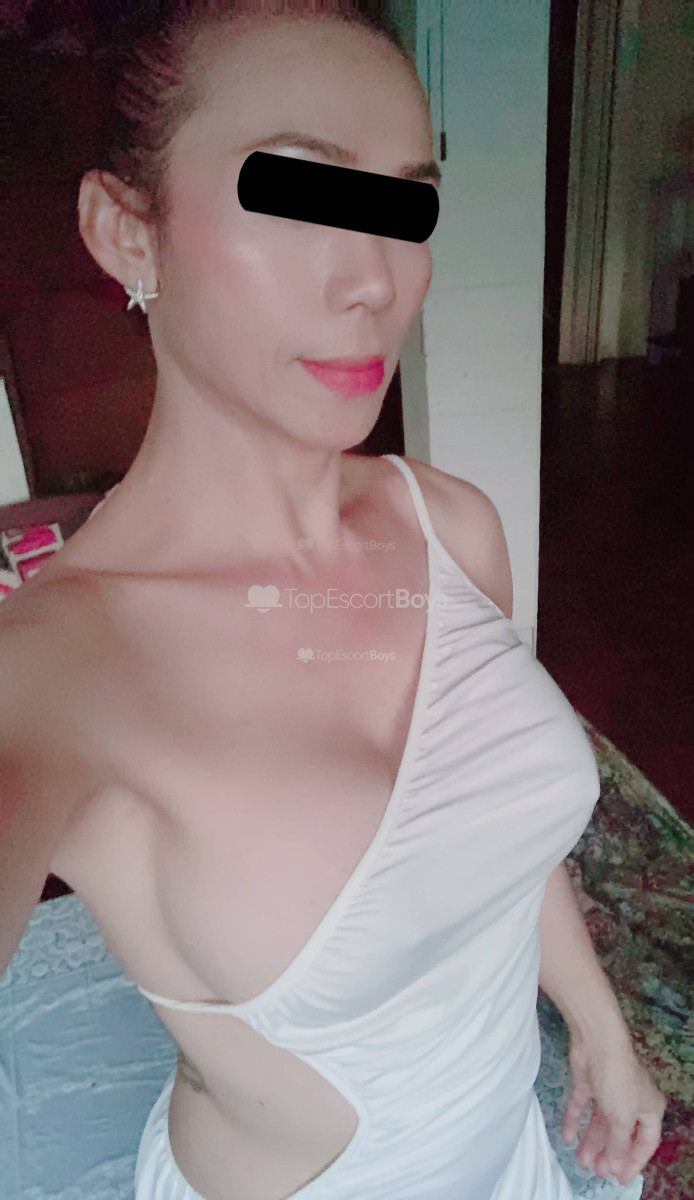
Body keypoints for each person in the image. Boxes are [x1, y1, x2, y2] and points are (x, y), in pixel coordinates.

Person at [1, 3, 665, 1199]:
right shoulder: (58, 668)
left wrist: (599, 1025)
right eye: (299, 196)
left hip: (510, 1157)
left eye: (406, 207)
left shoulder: (449, 523)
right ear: (126, 232)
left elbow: (492, 829)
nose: (373, 279)